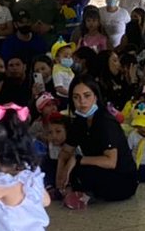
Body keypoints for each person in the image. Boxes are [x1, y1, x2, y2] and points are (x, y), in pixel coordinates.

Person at [57, 77, 138, 209]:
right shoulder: (79, 121)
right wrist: (60, 174)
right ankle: (67, 190)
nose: (82, 101)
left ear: (95, 97)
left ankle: (86, 195)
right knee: (66, 166)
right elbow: (66, 151)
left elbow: (110, 162)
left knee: (82, 169)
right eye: (76, 97)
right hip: (97, 168)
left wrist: (78, 160)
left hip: (122, 180)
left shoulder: (105, 122)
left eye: (87, 96)